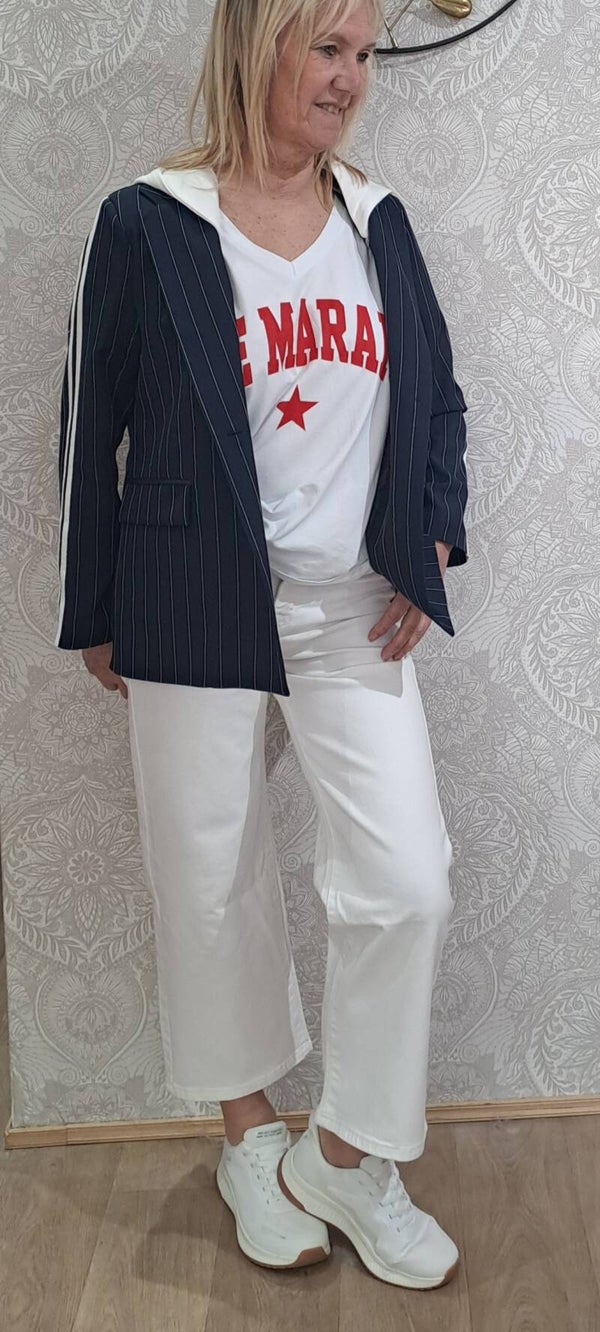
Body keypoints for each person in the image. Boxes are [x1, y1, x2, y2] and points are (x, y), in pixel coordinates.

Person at [55, 0, 469, 1292]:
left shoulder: (376, 220)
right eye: (326, 49)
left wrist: (434, 531)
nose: (350, 79)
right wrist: (97, 607)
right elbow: (89, 422)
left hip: (354, 608)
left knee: (407, 880)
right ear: (258, 46)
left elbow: (440, 399)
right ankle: (249, 1137)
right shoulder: (149, 222)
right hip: (193, 596)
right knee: (210, 876)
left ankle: (346, 1155)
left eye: (363, 55)